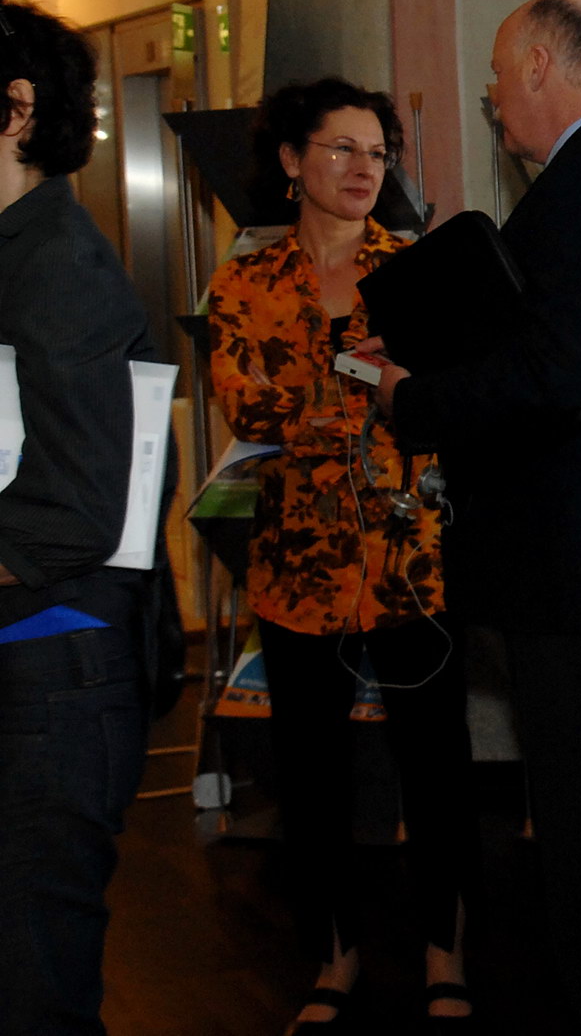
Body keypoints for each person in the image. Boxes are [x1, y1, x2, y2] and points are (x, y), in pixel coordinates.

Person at [364, 0, 581, 1032]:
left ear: (542, 65)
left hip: (580, 571)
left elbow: (554, 376)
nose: (496, 97)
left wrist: (412, 398)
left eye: (501, 75)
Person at [204, 78, 477, 1031]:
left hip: (412, 560)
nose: (364, 168)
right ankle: (334, 959)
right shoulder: (243, 283)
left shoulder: (417, 270)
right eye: (341, 149)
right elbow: (246, 404)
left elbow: (447, 393)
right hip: (296, 568)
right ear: (291, 160)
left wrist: (358, 397)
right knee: (312, 778)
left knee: (436, 771)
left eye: (377, 153)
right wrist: (369, 386)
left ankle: (446, 957)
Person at [0, 0, 165, 1036]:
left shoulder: (56, 260)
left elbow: (76, 510)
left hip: (53, 675)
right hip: (34, 660)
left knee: (36, 990)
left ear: (15, 108)